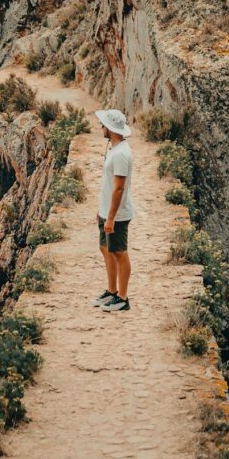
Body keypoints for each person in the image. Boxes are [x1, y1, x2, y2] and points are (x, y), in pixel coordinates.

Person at [94, 109, 134, 313]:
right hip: (106, 211)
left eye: (103, 125)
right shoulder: (113, 148)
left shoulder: (120, 154)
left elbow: (119, 189)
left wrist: (110, 218)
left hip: (116, 214)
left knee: (119, 252)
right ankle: (111, 291)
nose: (100, 127)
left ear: (110, 129)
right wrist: (101, 211)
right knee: (105, 248)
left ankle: (123, 298)